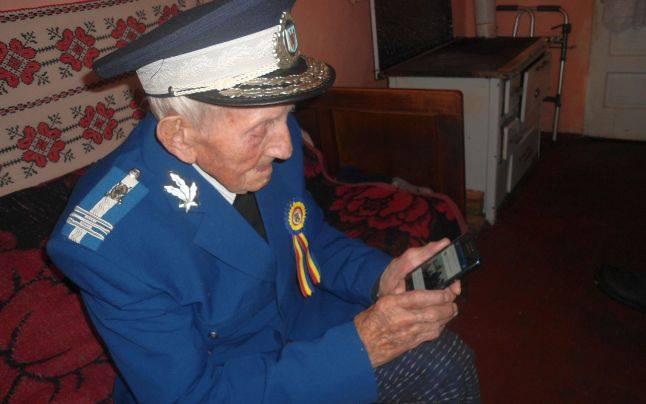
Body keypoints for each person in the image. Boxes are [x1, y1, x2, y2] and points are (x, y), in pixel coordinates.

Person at [47, 0, 479, 402]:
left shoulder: (267, 145)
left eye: (286, 114)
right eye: (261, 128)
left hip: (299, 322)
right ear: (180, 136)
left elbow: (306, 237)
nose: (286, 147)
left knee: (442, 355)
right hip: (230, 380)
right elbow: (190, 395)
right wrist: (361, 348)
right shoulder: (110, 247)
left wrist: (381, 276)